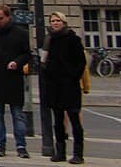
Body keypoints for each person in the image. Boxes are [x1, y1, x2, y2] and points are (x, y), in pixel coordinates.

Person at [0, 2, 32, 159]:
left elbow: (27, 54)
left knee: (17, 114)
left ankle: (21, 145)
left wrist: (17, 63)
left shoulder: (21, 33)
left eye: (1, 18)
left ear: (8, 17)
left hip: (13, 78)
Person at [43, 11, 87, 164]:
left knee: (74, 120)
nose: (55, 23)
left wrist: (72, 77)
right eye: (52, 21)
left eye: (57, 21)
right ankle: (60, 152)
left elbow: (81, 62)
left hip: (69, 86)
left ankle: (78, 153)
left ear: (64, 22)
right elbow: (46, 61)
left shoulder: (73, 39)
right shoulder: (50, 40)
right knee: (58, 121)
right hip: (55, 86)